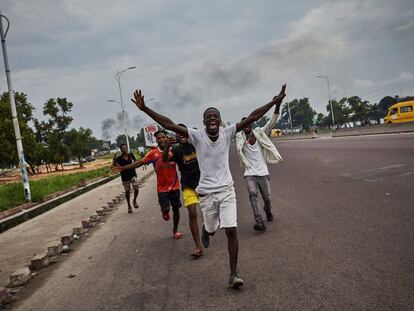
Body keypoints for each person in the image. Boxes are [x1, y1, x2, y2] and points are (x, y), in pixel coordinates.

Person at [130, 84, 286, 288]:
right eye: (208, 117)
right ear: (203, 122)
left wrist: (275, 101)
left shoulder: (227, 132)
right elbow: (169, 124)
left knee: (231, 231)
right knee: (212, 229)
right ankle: (207, 230)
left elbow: (253, 116)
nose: (212, 118)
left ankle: (233, 274)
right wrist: (145, 109)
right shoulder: (197, 136)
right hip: (207, 194)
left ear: (220, 121)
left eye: (215, 116)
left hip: (227, 191)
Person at [114, 131, 183, 239]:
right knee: (166, 209)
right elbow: (139, 163)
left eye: (163, 137)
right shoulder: (152, 153)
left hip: (175, 186)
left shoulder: (173, 150)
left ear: (166, 138)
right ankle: (164, 211)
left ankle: (175, 231)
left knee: (176, 209)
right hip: (162, 188)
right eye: (159, 138)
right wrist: (124, 168)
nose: (162, 139)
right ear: (156, 140)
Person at [235, 101, 283, 232]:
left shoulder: (260, 132)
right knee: (252, 195)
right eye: (243, 123)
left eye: (248, 122)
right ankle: (259, 221)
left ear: (252, 123)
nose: (246, 125)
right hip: (249, 173)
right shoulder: (238, 137)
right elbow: (224, 127)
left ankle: (267, 210)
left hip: (263, 172)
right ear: (242, 126)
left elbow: (272, 122)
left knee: (267, 198)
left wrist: (277, 105)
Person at [162, 124, 203, 257]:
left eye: (183, 133)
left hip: (203, 183)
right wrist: (168, 145)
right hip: (188, 186)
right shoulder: (176, 150)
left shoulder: (197, 145)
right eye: (177, 134)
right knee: (192, 212)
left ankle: (208, 230)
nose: (181, 135)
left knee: (211, 216)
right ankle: (198, 246)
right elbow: (164, 159)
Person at [113, 143, 139, 214]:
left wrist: (134, 165)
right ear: (121, 150)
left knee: (136, 189)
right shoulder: (118, 159)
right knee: (127, 191)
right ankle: (129, 205)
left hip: (133, 175)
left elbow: (135, 163)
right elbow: (114, 167)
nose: (125, 149)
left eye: (126, 147)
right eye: (123, 148)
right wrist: (114, 161)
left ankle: (134, 200)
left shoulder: (131, 155)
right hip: (125, 177)